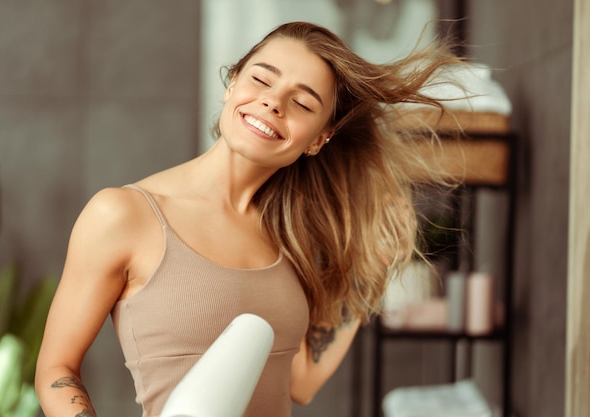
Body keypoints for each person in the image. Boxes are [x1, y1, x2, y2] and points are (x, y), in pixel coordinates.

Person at [35, 21, 462, 417]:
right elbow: (57, 368)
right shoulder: (123, 215)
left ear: (318, 139)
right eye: (261, 78)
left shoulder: (295, 235)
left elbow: (301, 382)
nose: (272, 102)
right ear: (232, 82)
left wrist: (369, 266)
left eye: (301, 102)